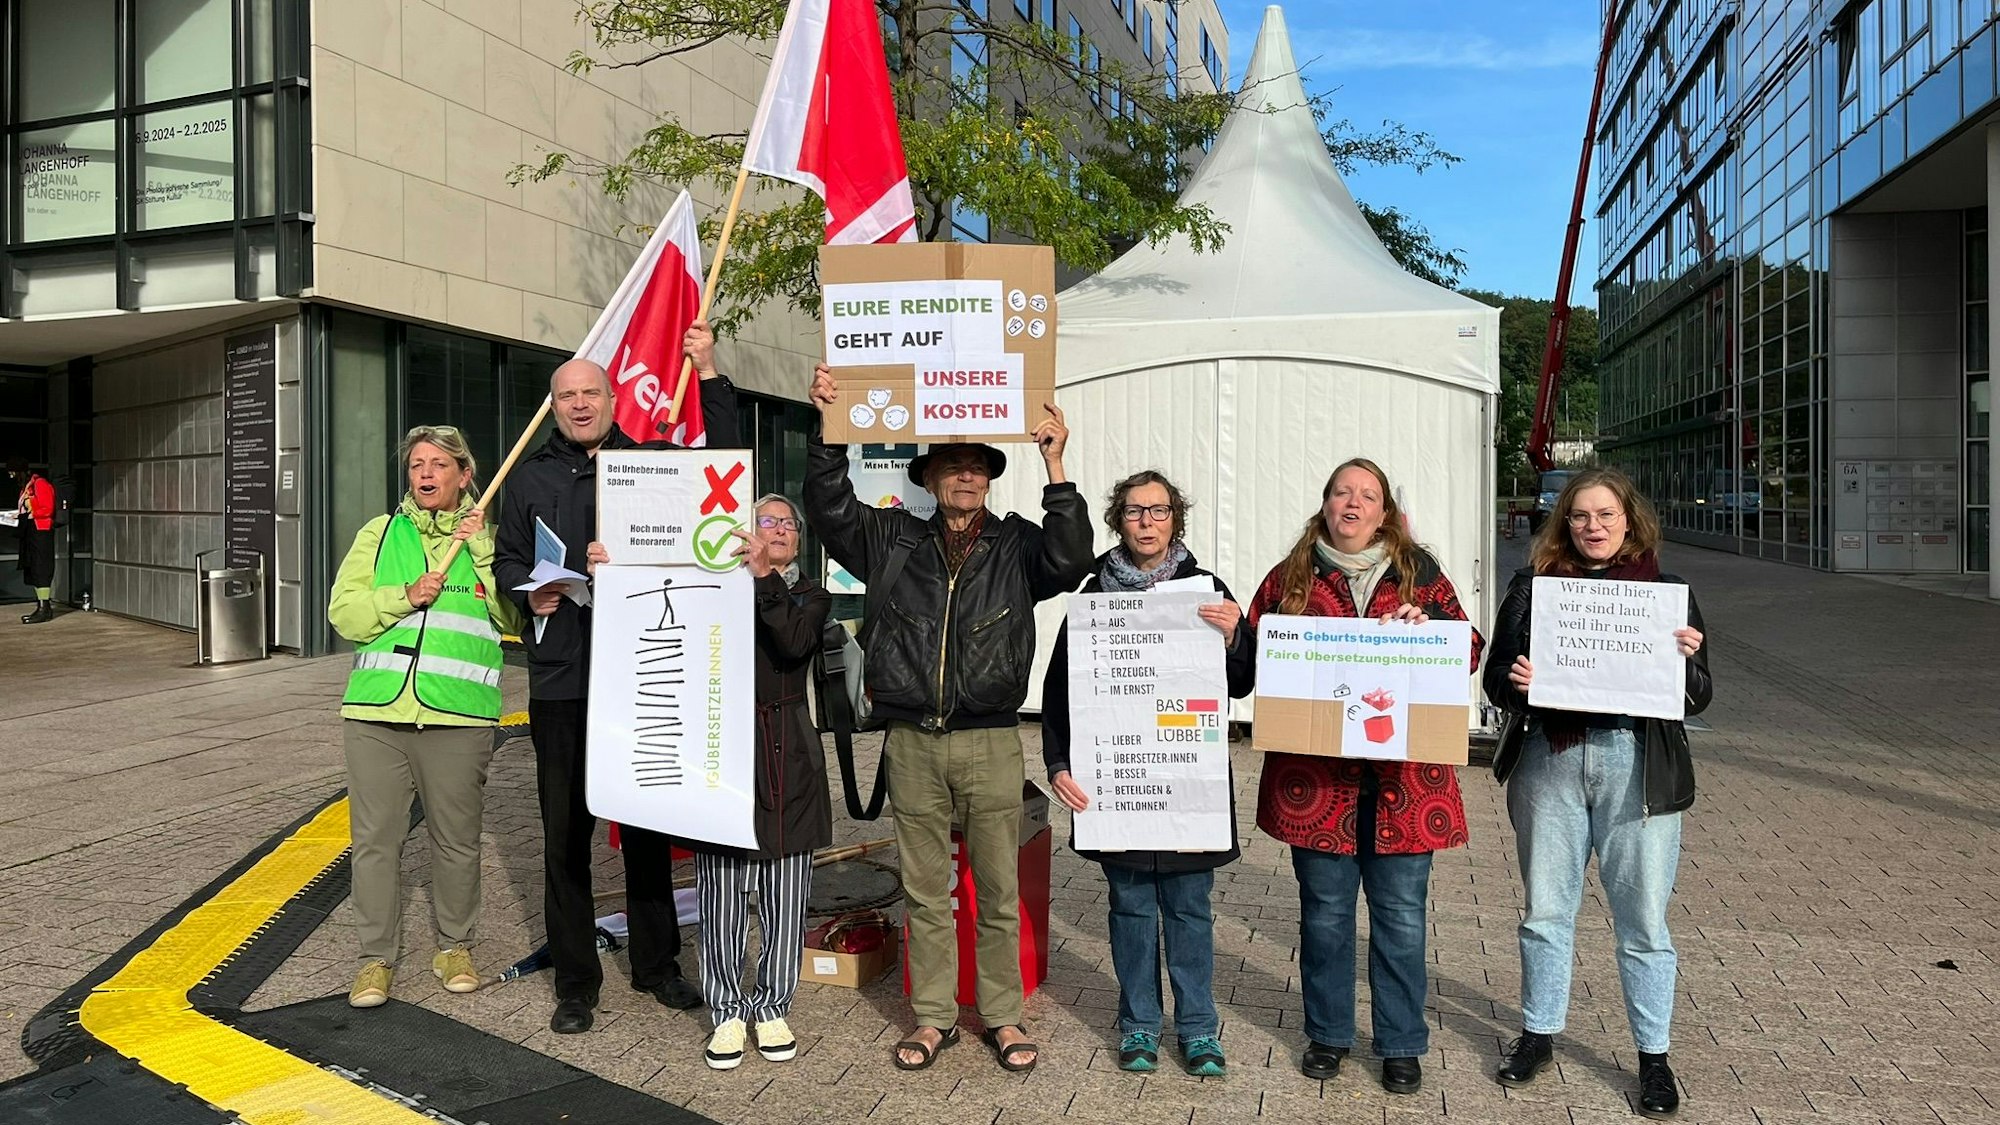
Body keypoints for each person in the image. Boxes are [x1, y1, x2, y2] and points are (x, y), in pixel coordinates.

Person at [803, 363, 1091, 1073]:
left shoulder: (1019, 545)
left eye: (976, 467)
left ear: (990, 479)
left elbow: (1074, 557)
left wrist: (1056, 462)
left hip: (992, 741)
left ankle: (1002, 1015)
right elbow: (831, 509)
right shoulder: (895, 540)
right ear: (929, 478)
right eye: (951, 467)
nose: (965, 477)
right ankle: (933, 1017)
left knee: (996, 891)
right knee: (927, 892)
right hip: (912, 743)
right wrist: (828, 430)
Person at [491, 321, 738, 1034]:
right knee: (564, 836)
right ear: (555, 405)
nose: (578, 403)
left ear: (611, 396)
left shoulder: (653, 462)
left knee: (649, 829)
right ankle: (576, 981)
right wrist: (526, 589)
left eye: (589, 392)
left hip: (643, 674)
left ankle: (658, 966)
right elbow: (507, 559)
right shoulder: (531, 476)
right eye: (566, 395)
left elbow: (721, 468)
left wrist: (709, 371)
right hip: (563, 678)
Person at [1246, 458, 1481, 1096]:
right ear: (1324, 504)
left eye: (1367, 495)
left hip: (1405, 785)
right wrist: (1230, 637)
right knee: (1323, 915)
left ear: (1385, 513)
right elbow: (1251, 655)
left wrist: (1428, 630)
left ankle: (1401, 1043)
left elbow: (1470, 648)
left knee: (1401, 917)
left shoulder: (1418, 573)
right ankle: (1327, 1035)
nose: (1353, 504)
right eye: (1342, 493)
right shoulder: (1290, 576)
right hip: (1318, 787)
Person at [1482, 466, 1710, 1120]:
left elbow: (1698, 695)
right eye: (1581, 515)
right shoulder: (1535, 589)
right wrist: (1516, 678)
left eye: (1606, 514)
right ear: (1565, 523)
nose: (1593, 526)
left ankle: (1654, 1057)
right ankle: (1538, 1033)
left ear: (1630, 521)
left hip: (1635, 764)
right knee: (1545, 910)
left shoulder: (1666, 594)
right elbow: (1497, 677)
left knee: (1643, 921)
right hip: (1550, 760)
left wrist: (1689, 661)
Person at [1039, 470, 1256, 1077]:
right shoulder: (1092, 595)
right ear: (1118, 519)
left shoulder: (1205, 587)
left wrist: (1236, 633)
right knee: (1130, 908)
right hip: (1121, 786)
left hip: (1187, 785)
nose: (1147, 523)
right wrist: (1058, 762)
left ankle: (1196, 1029)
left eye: (1159, 512)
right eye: (1135, 512)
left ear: (1175, 519)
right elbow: (1062, 690)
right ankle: (1138, 1024)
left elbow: (1240, 679)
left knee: (1189, 908)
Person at [327, 425, 523, 1007]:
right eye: (417, 465)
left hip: (459, 717)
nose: (426, 474)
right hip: (376, 715)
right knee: (374, 842)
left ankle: (455, 944)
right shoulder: (380, 534)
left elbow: (515, 617)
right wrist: (404, 595)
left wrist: (485, 548)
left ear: (465, 476)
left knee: (456, 841)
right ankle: (374, 958)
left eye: (440, 464)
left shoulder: (491, 538)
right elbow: (344, 612)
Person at [687, 494, 833, 1071]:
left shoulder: (810, 593)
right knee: (720, 891)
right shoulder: (710, 587)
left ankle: (772, 1003)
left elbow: (795, 643)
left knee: (786, 892)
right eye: (764, 521)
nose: (776, 530)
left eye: (786, 523)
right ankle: (725, 1009)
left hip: (787, 746)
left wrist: (765, 579)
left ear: (796, 540)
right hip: (721, 747)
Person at [9, 457, 56, 624]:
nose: (12, 476)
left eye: (13, 473)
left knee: (41, 567)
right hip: (31, 530)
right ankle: (42, 606)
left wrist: (31, 513)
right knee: (33, 567)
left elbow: (47, 508)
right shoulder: (26, 487)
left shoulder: (40, 484)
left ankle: (44, 608)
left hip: (41, 531)